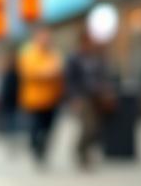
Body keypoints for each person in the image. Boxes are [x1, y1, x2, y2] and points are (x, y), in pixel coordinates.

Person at [65, 29, 115, 170]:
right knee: (88, 126)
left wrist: (107, 91)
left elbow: (103, 75)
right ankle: (81, 152)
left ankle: (85, 151)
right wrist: (74, 98)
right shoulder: (74, 58)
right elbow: (70, 80)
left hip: (97, 96)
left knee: (96, 128)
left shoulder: (96, 57)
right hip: (82, 96)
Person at [16, 25, 65, 166]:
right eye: (43, 36)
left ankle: (42, 150)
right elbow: (29, 72)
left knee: (49, 128)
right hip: (34, 99)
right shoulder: (29, 53)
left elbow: (59, 70)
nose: (46, 39)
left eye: (47, 36)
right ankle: (36, 149)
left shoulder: (54, 53)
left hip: (52, 98)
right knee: (36, 128)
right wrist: (47, 72)